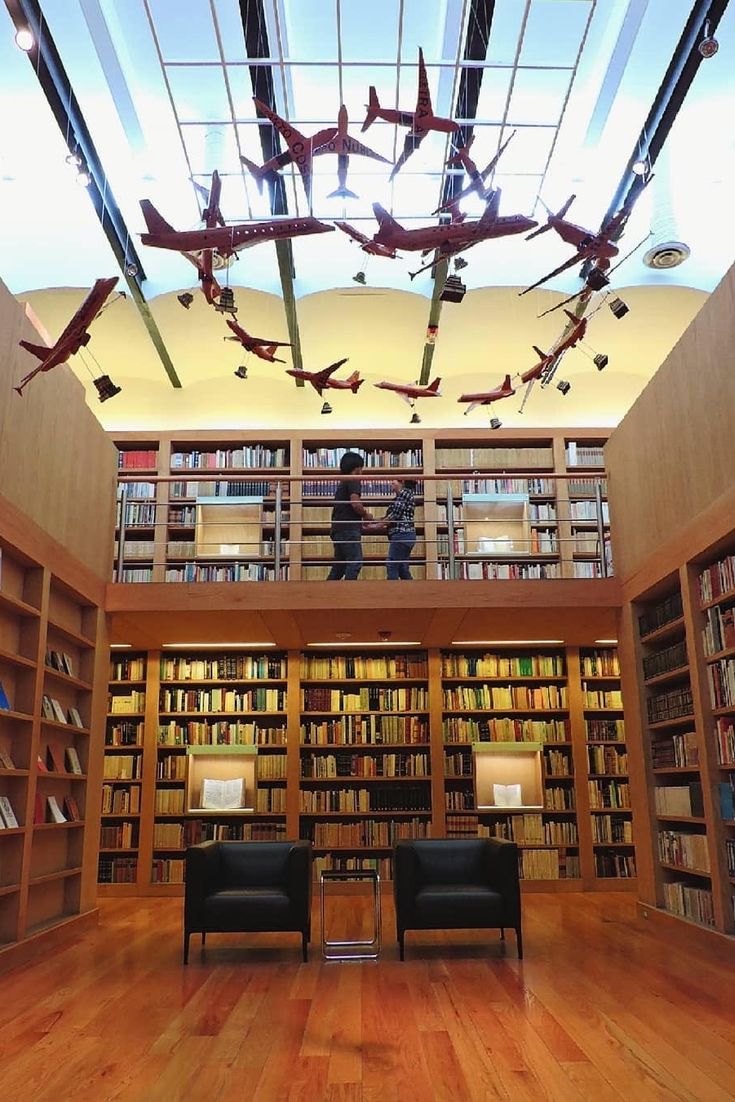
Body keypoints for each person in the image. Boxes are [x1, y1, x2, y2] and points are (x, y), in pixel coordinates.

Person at [327, 451, 372, 580]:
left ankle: (326, 594)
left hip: (338, 529)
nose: (362, 472)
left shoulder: (343, 482)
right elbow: (356, 503)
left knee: (339, 567)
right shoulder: (353, 480)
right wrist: (366, 515)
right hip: (349, 529)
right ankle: (348, 592)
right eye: (361, 468)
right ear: (357, 468)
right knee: (355, 561)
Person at [369, 478, 417, 580]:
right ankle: (411, 591)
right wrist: (375, 521)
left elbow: (394, 515)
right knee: (402, 568)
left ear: (402, 482)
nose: (391, 483)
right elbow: (391, 515)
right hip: (406, 534)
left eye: (393, 481)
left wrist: (376, 526)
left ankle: (392, 591)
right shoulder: (403, 496)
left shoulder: (404, 493)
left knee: (392, 564)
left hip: (402, 534)